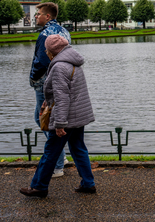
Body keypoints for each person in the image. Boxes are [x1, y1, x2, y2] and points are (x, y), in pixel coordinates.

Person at [20, 35, 96, 198]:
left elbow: (63, 98)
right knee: (78, 148)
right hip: (77, 116)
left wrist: (60, 123)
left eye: (46, 49)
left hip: (66, 118)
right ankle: (88, 183)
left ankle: (39, 187)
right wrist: (48, 102)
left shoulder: (59, 66)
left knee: (50, 152)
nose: (46, 52)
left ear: (52, 51)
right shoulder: (72, 62)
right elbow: (68, 93)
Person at [30, 2, 71, 178]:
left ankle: (58, 163)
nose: (36, 17)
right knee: (48, 120)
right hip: (62, 80)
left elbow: (41, 62)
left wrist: (33, 76)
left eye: (38, 14)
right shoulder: (64, 31)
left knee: (45, 121)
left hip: (45, 84)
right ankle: (61, 157)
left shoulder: (44, 34)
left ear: (47, 16)